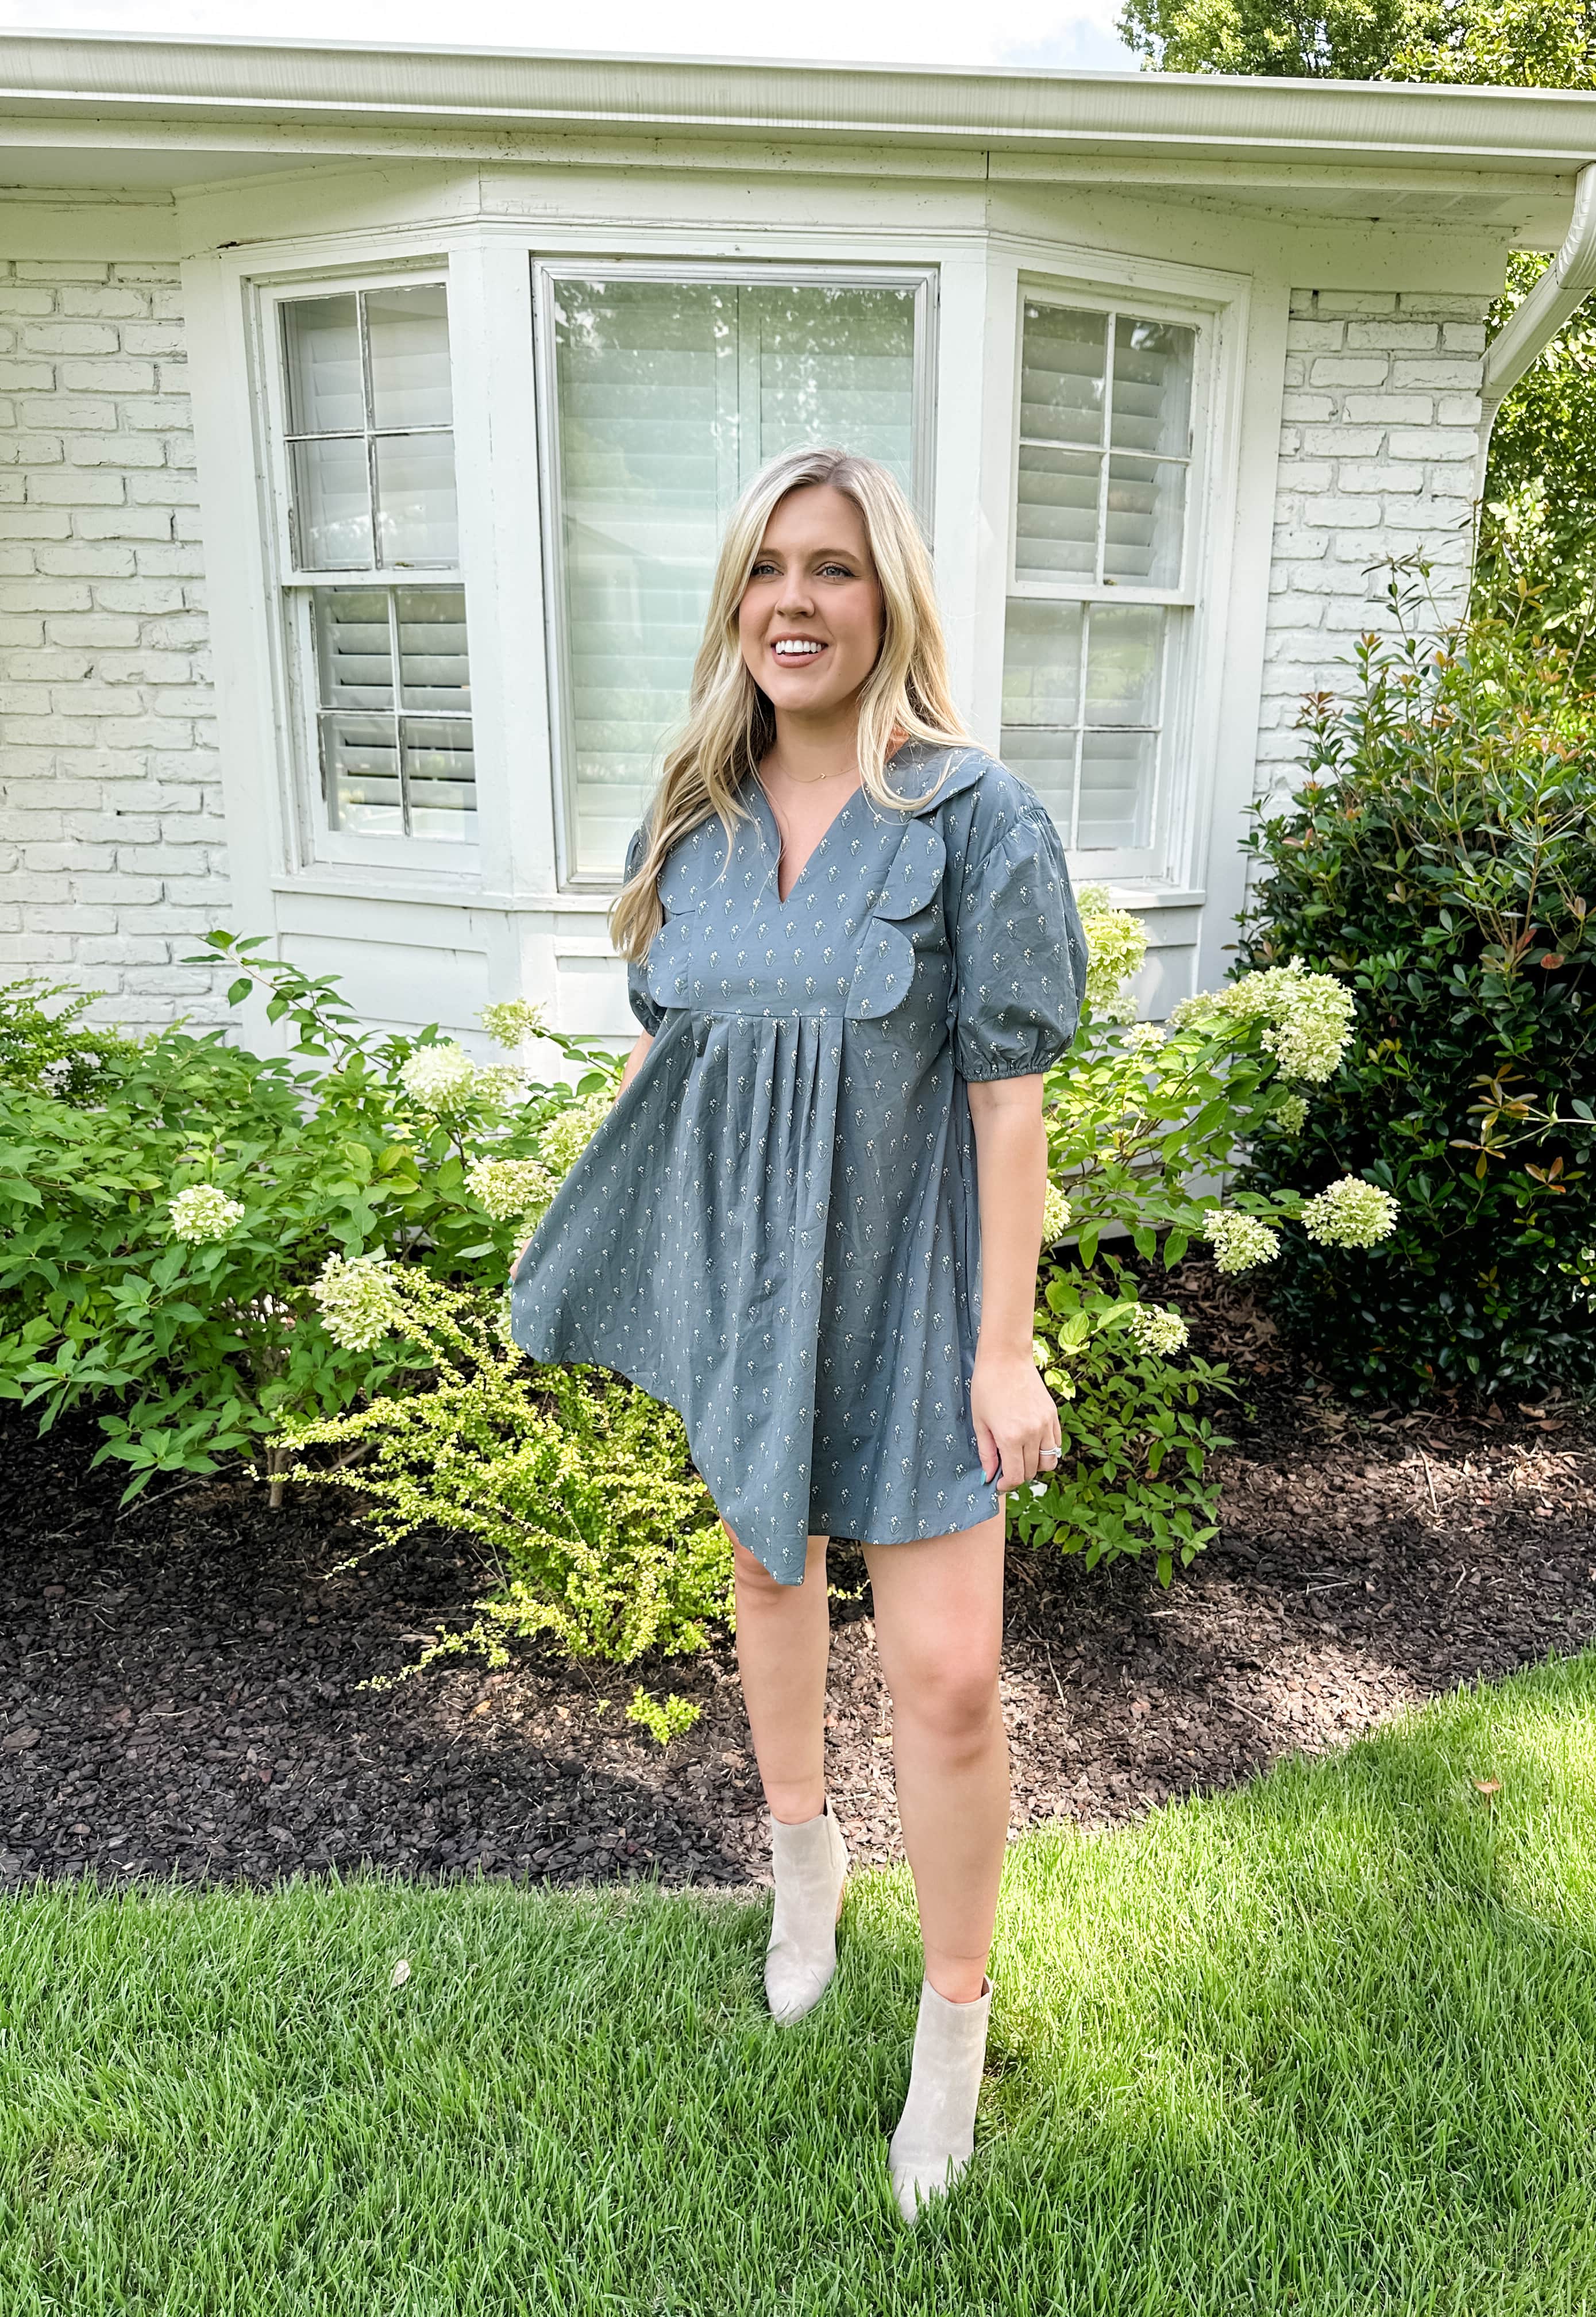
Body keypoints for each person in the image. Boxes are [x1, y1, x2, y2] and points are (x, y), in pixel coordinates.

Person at [511, 444, 1088, 2222]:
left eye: (831, 567)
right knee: (769, 1581)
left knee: (951, 1680)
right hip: (745, 1283)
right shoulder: (690, 820)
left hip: (914, 1298)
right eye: (767, 568)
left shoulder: (973, 820)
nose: (794, 602)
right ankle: (803, 1864)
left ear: (887, 597)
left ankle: (954, 2025)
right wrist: (618, 1240)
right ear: (734, 606)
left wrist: (1009, 1349)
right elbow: (669, 1052)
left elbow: (1008, 1105)